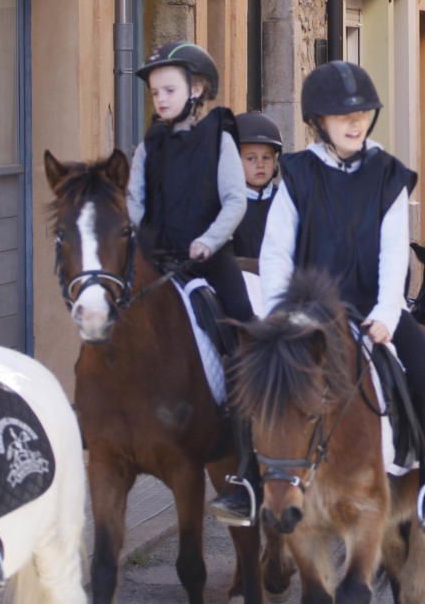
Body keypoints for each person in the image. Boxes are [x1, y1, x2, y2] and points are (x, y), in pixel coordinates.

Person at [259, 61, 425, 530]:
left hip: (373, 308)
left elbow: (394, 252)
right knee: (253, 377)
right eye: (341, 115)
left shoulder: (387, 175)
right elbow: (275, 253)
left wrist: (389, 313)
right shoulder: (296, 174)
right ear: (318, 122)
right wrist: (277, 316)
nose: (355, 122)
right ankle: (250, 480)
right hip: (305, 313)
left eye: (363, 113)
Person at [128, 40, 259, 525]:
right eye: (154, 91)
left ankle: (246, 472)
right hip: (161, 264)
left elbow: (235, 201)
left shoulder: (219, 138)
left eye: (169, 89)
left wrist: (207, 242)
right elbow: (135, 203)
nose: (159, 99)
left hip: (210, 261)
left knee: (243, 338)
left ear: (196, 88)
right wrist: (143, 247)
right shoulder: (149, 146)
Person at [232, 111, 283, 261]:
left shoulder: (286, 201)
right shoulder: (224, 204)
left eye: (266, 157)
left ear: (275, 162)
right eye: (251, 158)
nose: (260, 164)